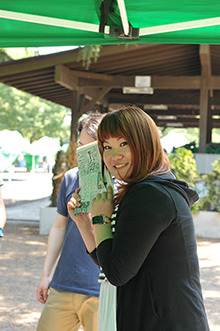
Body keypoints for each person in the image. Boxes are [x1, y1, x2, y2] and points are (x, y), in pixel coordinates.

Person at [68, 106, 210, 331]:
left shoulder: (149, 194)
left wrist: (101, 218)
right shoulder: (152, 187)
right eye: (107, 147)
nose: (115, 156)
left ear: (145, 143)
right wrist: (85, 224)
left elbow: (116, 273)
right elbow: (114, 260)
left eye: (124, 143)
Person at [36, 112, 106, 331]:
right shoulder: (70, 177)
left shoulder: (121, 183)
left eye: (92, 147)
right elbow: (59, 226)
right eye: (82, 146)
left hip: (101, 289)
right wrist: (46, 275)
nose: (85, 153)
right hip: (63, 284)